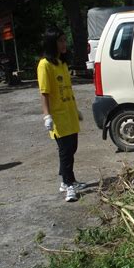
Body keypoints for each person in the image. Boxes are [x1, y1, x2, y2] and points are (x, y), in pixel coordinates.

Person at [37, 26, 86, 202]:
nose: (64, 44)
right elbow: (45, 92)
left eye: (65, 40)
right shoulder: (45, 64)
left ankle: (68, 180)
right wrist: (47, 115)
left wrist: (75, 109)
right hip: (57, 116)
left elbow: (67, 89)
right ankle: (68, 185)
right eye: (60, 41)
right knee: (65, 151)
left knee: (72, 148)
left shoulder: (62, 63)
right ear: (52, 43)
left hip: (69, 113)